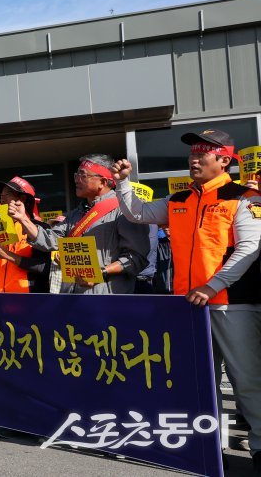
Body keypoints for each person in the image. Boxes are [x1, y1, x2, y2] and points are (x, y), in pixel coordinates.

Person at [112, 129, 261, 470]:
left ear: (224, 160)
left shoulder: (245, 198)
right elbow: (137, 214)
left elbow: (250, 248)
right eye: (193, 153)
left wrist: (212, 286)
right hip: (189, 306)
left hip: (231, 303)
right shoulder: (179, 200)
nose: (194, 159)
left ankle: (259, 449)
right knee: (198, 382)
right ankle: (206, 448)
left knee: (248, 381)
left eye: (203, 154)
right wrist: (123, 183)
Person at [10, 154, 149, 294]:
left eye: (83, 176)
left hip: (105, 298)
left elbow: (136, 257)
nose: (76, 180)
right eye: (76, 175)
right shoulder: (74, 214)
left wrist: (101, 273)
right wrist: (23, 219)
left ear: (103, 182)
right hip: (71, 296)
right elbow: (50, 240)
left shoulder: (125, 210)